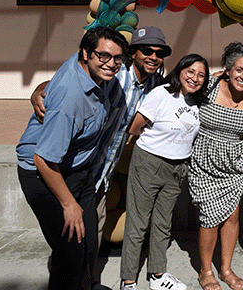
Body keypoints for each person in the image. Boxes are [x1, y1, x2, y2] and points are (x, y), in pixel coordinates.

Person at [31, 26, 171, 284]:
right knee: (75, 239)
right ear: (133, 53)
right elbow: (68, 80)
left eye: (159, 53)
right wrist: (39, 89)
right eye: (147, 50)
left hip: (104, 170)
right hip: (77, 167)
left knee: (91, 235)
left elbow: (189, 84)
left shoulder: (157, 87)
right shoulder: (113, 73)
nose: (153, 56)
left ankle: (87, 282)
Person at [17, 27, 128, 290]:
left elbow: (53, 81)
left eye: (117, 58)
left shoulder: (87, 66)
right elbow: (43, 159)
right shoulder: (72, 97)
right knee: (70, 252)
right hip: (44, 173)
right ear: (86, 54)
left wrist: (41, 88)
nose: (111, 64)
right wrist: (68, 204)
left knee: (89, 241)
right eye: (104, 56)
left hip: (79, 167)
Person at [120, 54, 209, 290]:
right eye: (190, 71)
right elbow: (134, 127)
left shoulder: (197, 102)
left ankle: (157, 275)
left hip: (178, 167)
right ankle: (128, 280)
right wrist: (158, 143)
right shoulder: (161, 94)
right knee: (137, 224)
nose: (195, 78)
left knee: (163, 223)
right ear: (179, 70)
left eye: (201, 75)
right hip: (149, 162)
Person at [188, 43, 243, 290]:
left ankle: (226, 269)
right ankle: (205, 271)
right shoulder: (208, 86)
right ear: (227, 70)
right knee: (209, 218)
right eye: (239, 70)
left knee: (232, 216)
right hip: (203, 161)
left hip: (233, 165)